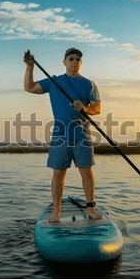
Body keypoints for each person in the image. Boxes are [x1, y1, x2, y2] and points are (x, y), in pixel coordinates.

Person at [23, 48, 102, 222]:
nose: (74, 62)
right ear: (64, 62)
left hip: (82, 135)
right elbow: (29, 87)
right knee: (58, 174)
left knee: (86, 172)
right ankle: (56, 211)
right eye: (71, 58)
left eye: (78, 59)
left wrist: (85, 108)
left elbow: (97, 108)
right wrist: (29, 67)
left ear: (81, 63)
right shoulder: (54, 82)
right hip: (60, 135)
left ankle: (91, 209)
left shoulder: (89, 84)